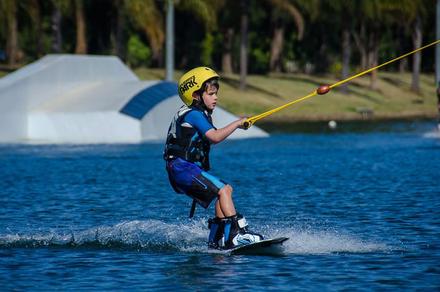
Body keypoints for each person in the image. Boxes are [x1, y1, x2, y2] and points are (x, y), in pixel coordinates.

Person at [163, 67, 263, 249]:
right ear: (195, 95)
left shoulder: (195, 113)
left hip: (183, 169)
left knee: (226, 190)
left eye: (216, 93)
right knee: (223, 190)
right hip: (181, 168)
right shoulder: (193, 114)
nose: (216, 97)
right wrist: (238, 123)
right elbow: (214, 137)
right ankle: (237, 235)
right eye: (211, 94)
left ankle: (218, 237)